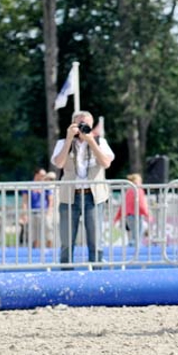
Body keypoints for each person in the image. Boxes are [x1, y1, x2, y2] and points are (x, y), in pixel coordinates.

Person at [51, 110, 115, 268]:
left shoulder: (100, 141)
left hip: (93, 197)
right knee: (67, 240)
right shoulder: (62, 142)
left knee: (96, 239)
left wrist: (91, 141)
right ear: (73, 125)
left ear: (92, 125)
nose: (83, 127)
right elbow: (59, 164)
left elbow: (106, 163)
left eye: (86, 124)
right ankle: (66, 275)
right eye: (80, 124)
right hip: (69, 196)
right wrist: (68, 139)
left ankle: (96, 275)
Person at [114, 173, 151, 247]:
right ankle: (135, 250)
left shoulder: (128, 191)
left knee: (134, 235)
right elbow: (141, 204)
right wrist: (147, 214)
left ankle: (132, 247)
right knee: (137, 236)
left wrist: (117, 217)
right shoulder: (138, 190)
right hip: (137, 215)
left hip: (128, 216)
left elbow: (122, 206)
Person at [19, 168, 54, 248]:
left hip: (44, 213)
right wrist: (25, 214)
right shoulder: (29, 185)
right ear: (36, 175)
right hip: (33, 213)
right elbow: (25, 201)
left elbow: (51, 200)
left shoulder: (46, 186)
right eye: (42, 175)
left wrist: (49, 212)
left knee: (48, 231)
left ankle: (50, 251)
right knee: (34, 234)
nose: (44, 177)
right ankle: (35, 253)